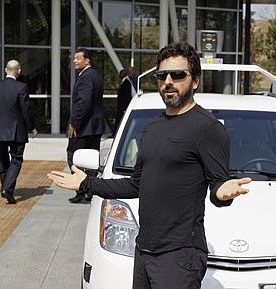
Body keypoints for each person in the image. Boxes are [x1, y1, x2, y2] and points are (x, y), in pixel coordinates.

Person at [48, 41, 252, 289]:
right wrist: (86, 184)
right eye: (162, 75)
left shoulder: (208, 129)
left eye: (177, 75)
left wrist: (223, 192)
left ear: (195, 81)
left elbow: (219, 187)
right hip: (143, 249)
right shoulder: (152, 127)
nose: (168, 81)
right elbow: (136, 185)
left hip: (179, 255)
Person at [0, 59, 38, 204]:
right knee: (16, 160)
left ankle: (6, 187)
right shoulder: (21, 87)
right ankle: (7, 188)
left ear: (5, 70)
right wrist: (32, 127)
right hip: (17, 131)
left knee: (2, 160)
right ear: (19, 71)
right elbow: (26, 110)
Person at [67, 48, 110, 203]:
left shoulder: (86, 77)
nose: (74, 61)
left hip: (84, 127)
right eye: (74, 58)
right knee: (91, 159)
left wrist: (74, 122)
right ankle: (90, 191)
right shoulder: (94, 75)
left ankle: (80, 191)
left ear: (87, 60)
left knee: (74, 157)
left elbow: (84, 102)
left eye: (78, 58)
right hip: (94, 126)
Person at [113, 69, 134, 135]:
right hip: (121, 106)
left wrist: (125, 106)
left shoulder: (126, 83)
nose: (119, 75)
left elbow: (127, 95)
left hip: (123, 106)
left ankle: (117, 133)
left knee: (120, 119)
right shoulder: (123, 82)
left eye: (121, 73)